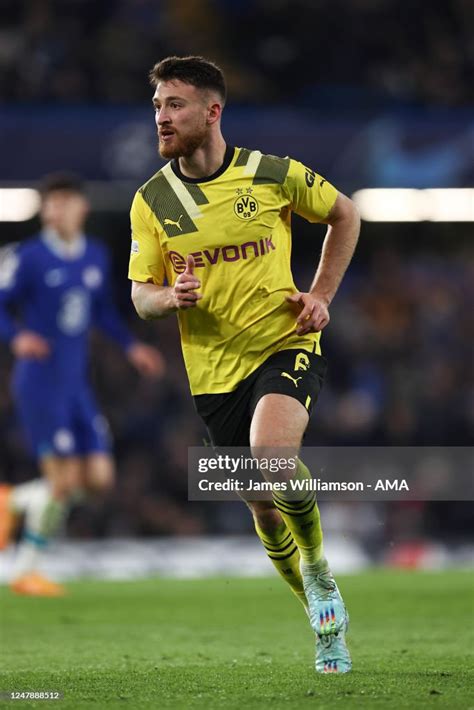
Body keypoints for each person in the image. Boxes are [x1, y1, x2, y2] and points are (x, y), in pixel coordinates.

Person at [128, 56, 360, 674]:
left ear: (212, 111)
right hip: (212, 375)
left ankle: (319, 572)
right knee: (261, 504)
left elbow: (346, 214)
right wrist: (167, 298)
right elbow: (140, 295)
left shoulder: (271, 174)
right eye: (157, 106)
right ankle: (318, 616)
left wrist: (321, 297)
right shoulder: (153, 201)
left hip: (284, 341)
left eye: (175, 104)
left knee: (272, 454)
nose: (162, 117)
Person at [0, 173, 165, 596]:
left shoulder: (95, 255)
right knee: (61, 483)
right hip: (39, 382)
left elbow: (103, 311)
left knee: (97, 479)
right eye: (51, 202)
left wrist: (131, 346)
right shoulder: (28, 256)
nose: (57, 209)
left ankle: (12, 502)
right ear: (44, 210)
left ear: (81, 207)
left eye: (65, 201)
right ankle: (26, 571)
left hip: (76, 384)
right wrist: (17, 336)